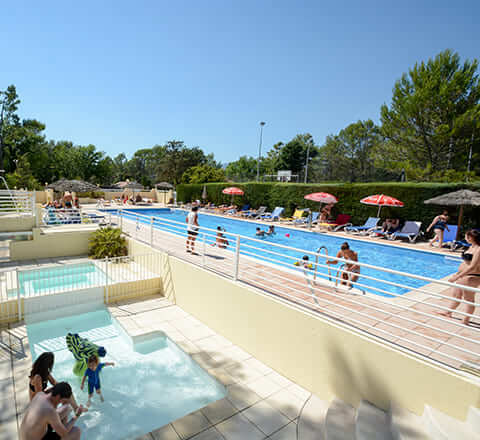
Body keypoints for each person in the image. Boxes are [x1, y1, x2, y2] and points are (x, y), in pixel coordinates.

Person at [438, 229, 480, 325]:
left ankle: (466, 320)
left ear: (471, 237)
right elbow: (465, 263)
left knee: (469, 299)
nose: (465, 237)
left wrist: (457, 277)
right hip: (463, 275)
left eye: (466, 236)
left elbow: (472, 266)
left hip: (471, 276)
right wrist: (457, 274)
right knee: (456, 295)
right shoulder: (471, 247)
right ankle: (448, 312)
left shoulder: (478, 249)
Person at [29, 352, 86, 420]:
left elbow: (54, 382)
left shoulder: (44, 371)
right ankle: (64, 414)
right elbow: (40, 396)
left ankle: (75, 409)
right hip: (37, 403)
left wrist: (63, 385)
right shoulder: (37, 377)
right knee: (62, 392)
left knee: (65, 388)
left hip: (42, 395)